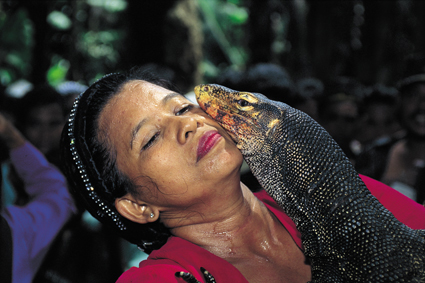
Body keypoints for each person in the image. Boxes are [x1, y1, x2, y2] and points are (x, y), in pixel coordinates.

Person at [60, 67, 425, 282]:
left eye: (183, 107)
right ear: (137, 206)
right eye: (151, 137)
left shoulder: (338, 196)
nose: (188, 123)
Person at [0, 112, 77, 283]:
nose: (44, 134)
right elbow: (55, 193)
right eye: (35, 124)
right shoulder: (15, 232)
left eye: (54, 123)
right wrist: (11, 136)